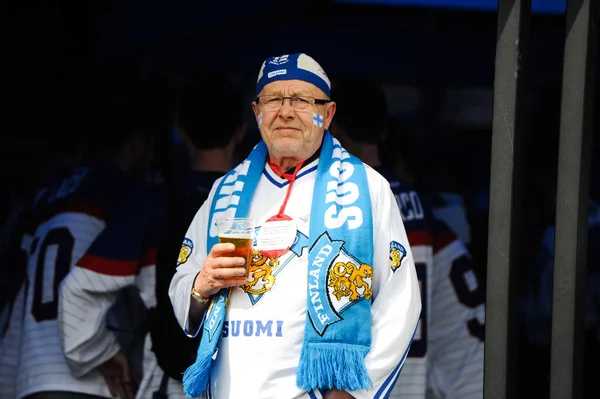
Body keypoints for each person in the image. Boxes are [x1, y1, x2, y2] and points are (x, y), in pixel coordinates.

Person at [169, 53, 421, 399]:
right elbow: (182, 282)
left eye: (301, 100)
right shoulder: (225, 191)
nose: (285, 111)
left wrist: (355, 392)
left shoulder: (367, 188)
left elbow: (401, 300)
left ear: (328, 114)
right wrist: (201, 284)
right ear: (257, 113)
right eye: (274, 99)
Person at [331, 79, 485, 399]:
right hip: (434, 381)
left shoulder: (345, 209)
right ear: (384, 132)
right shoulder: (421, 208)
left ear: (333, 134)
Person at [14, 87, 165, 399]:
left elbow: (15, 297)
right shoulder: (125, 194)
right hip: (97, 376)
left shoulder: (44, 197)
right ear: (136, 143)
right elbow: (148, 293)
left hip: (31, 375)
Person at [140, 78, 245, 399]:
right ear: (241, 132)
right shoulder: (262, 202)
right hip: (241, 370)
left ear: (181, 132)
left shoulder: (155, 202)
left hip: (170, 370)